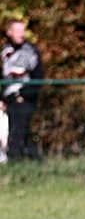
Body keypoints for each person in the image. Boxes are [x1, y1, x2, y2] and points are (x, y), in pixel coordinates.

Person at [1, 19, 44, 161]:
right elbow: (3, 76)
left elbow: (38, 76)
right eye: (17, 31)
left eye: (23, 31)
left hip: (24, 99)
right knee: (19, 133)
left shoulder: (31, 52)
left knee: (18, 132)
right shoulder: (5, 51)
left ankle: (15, 162)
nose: (21, 34)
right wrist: (2, 98)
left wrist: (24, 95)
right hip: (9, 99)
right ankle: (35, 160)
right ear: (9, 32)